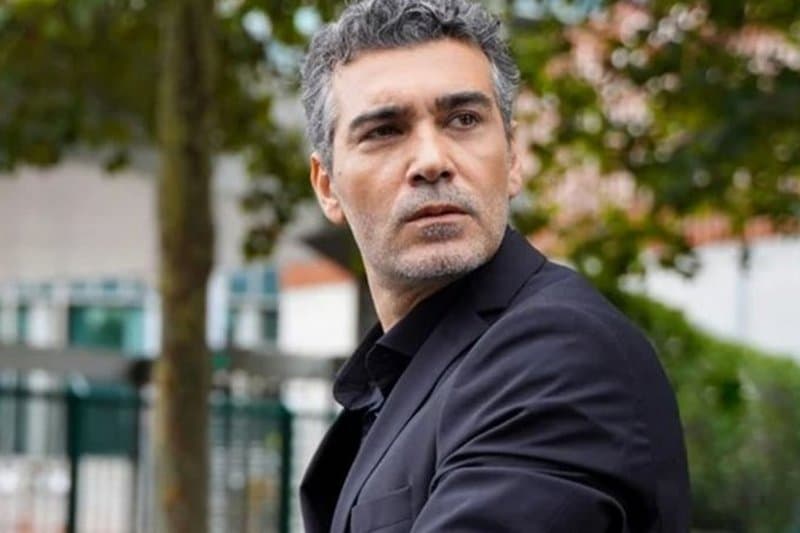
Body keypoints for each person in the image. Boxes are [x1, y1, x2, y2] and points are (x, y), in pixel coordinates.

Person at [298, 1, 690, 531]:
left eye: (464, 120)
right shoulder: (407, 372)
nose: (432, 161)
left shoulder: (560, 354)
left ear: (513, 157)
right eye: (385, 130)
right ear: (327, 186)